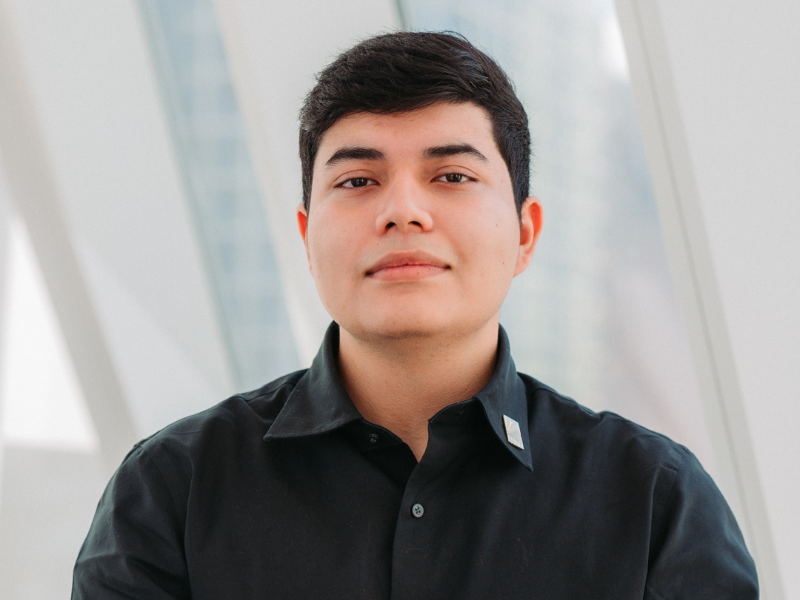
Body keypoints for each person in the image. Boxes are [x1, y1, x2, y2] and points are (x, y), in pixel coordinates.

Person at [72, 32, 758, 599]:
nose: (403, 211)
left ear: (524, 233)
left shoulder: (654, 501)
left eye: (452, 176)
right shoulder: (173, 489)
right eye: (358, 180)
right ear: (307, 237)